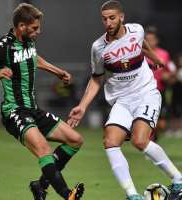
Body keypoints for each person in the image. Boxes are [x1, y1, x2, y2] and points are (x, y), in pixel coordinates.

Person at [68, 1, 182, 200]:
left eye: (112, 18)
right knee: (110, 141)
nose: (108, 22)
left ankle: (178, 180)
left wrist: (155, 59)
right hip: (121, 100)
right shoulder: (98, 48)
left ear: (121, 17)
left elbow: (142, 45)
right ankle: (132, 195)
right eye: (104, 19)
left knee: (140, 141)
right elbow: (96, 78)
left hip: (146, 93)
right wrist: (82, 106)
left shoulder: (136, 30)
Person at [0, 3, 84, 200]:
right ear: (21, 26)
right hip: (14, 112)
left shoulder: (28, 42)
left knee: (75, 140)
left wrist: (57, 71)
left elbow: (33, 58)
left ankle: (39, 186)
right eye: (35, 28)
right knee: (44, 149)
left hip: (33, 109)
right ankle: (67, 195)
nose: (39, 31)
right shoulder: (4, 46)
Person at [145, 26, 175, 141]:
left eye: (152, 39)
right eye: (147, 39)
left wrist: (168, 76)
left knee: (161, 124)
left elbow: (170, 72)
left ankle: (154, 137)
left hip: (160, 92)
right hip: (145, 92)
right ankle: (149, 143)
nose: (149, 42)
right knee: (148, 120)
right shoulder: (140, 54)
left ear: (156, 40)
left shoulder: (164, 54)